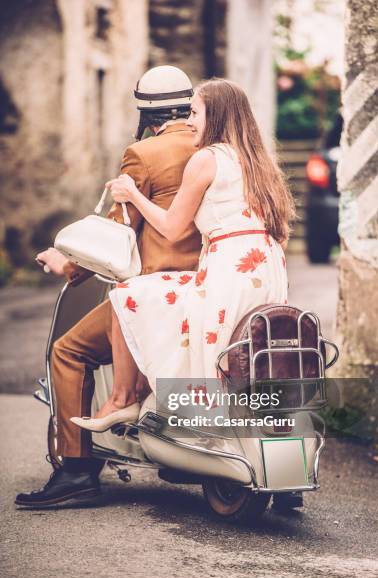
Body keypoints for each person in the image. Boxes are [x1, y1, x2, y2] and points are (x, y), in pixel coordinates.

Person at [15, 65, 202, 508]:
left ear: (147, 111)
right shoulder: (214, 148)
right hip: (210, 289)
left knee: (68, 351)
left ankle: (77, 471)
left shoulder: (144, 154)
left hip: (157, 294)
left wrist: (68, 264)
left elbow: (119, 236)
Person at [71, 78, 295, 434]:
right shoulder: (258, 160)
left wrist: (132, 193)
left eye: (194, 112)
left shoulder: (206, 158)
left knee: (130, 293)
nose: (188, 121)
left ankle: (125, 398)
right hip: (265, 273)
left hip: (229, 272)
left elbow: (173, 227)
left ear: (216, 116)